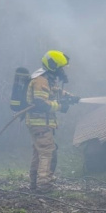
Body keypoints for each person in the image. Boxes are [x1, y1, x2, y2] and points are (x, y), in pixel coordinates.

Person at [26, 50, 79, 191]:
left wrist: (71, 97)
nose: (63, 71)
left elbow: (54, 91)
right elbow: (40, 103)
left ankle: (34, 185)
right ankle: (44, 185)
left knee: (39, 153)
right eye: (61, 68)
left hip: (41, 124)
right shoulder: (41, 80)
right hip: (40, 124)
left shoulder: (45, 79)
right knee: (47, 153)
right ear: (53, 66)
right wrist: (60, 106)